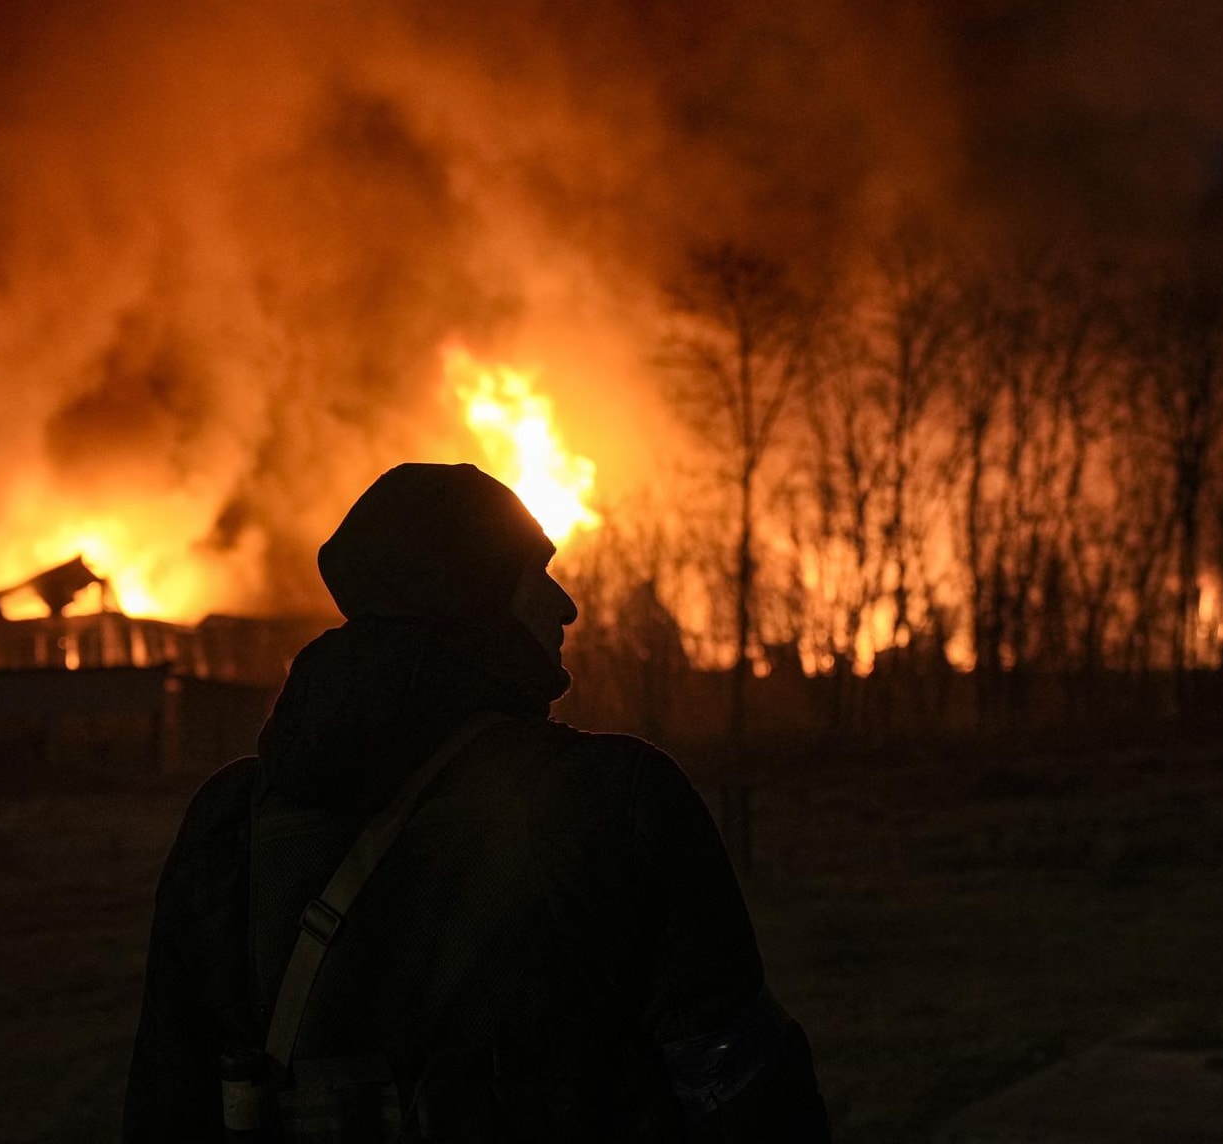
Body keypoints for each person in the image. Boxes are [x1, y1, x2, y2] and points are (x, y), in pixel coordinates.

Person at [122, 462, 832, 1141]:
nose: (567, 606)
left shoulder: (229, 826)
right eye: (535, 576)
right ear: (471, 596)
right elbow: (743, 1095)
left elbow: (168, 1108)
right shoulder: (615, 801)